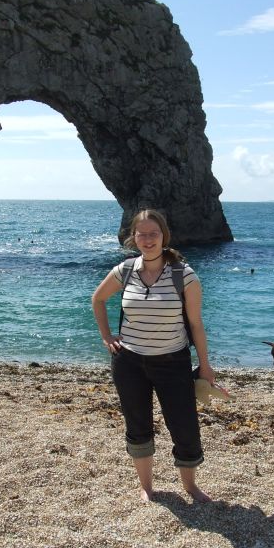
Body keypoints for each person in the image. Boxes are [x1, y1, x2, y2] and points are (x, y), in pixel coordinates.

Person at [92, 209, 218, 503]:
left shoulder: (184, 275)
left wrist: (205, 366)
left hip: (173, 362)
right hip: (129, 363)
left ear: (164, 236)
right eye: (142, 234)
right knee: (138, 425)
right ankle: (147, 488)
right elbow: (98, 299)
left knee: (184, 427)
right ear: (133, 237)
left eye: (154, 234)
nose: (148, 240)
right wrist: (107, 336)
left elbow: (196, 324)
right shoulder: (125, 270)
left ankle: (190, 486)